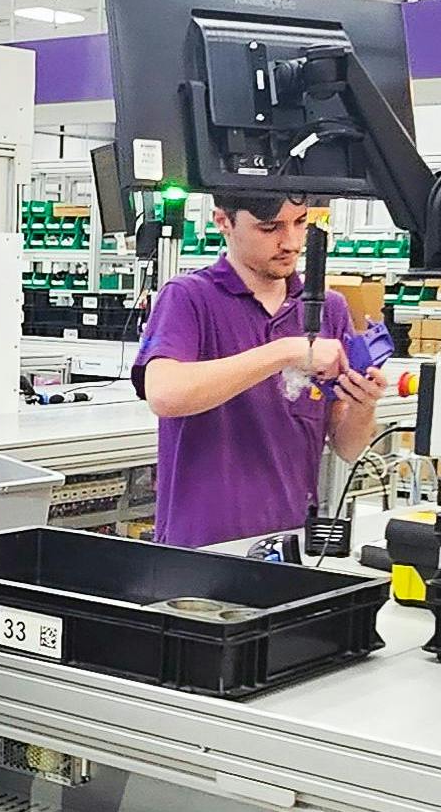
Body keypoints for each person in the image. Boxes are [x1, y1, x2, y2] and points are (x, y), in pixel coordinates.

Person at [130, 193, 381, 550]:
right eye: (269, 228)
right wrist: (284, 352)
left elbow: (348, 447)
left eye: (300, 223)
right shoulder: (188, 297)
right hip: (203, 549)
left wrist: (362, 405)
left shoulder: (328, 308)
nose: (291, 242)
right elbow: (165, 395)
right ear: (223, 222)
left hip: (288, 543)